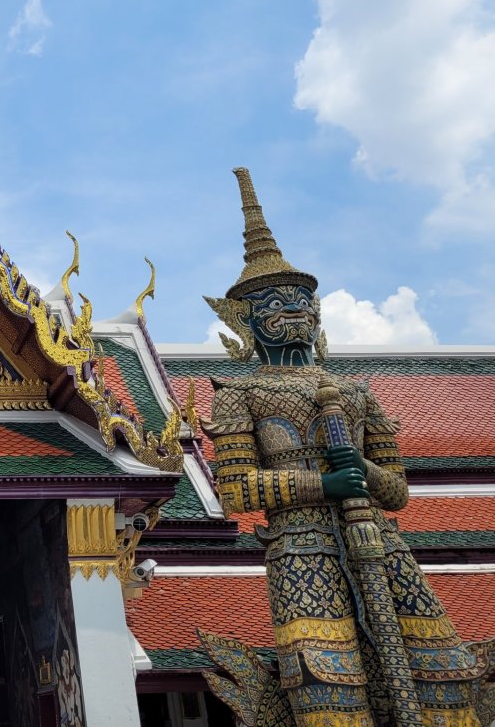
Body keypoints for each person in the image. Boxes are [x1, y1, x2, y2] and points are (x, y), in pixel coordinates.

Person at [201, 168, 487, 725]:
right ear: (247, 321)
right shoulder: (239, 394)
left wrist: (360, 470)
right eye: (276, 303)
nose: (295, 311)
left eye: (302, 301)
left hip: (379, 545)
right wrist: (321, 483)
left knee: (443, 676)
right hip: (302, 551)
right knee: (329, 688)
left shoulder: (357, 393)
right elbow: (236, 492)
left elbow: (398, 491)